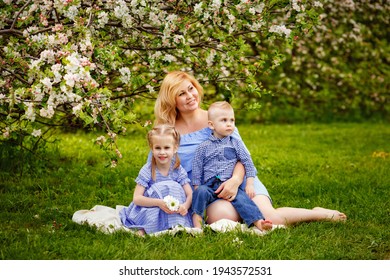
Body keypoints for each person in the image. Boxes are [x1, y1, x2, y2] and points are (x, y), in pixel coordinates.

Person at [154, 70, 347, 226]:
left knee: (272, 219)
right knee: (221, 218)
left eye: (191, 89)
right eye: (181, 93)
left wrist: (236, 181)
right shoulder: (168, 131)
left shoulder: (217, 118)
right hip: (209, 191)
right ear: (172, 100)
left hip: (240, 182)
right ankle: (238, 214)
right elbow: (157, 169)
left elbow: (241, 157)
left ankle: (317, 214)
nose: (190, 96)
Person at [191, 101, 273, 231]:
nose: (229, 124)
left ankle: (259, 222)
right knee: (199, 192)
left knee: (243, 199)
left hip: (229, 184)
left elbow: (248, 162)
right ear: (211, 125)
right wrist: (196, 186)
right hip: (210, 186)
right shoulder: (203, 147)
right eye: (224, 120)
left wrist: (250, 183)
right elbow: (197, 168)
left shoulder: (235, 143)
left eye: (232, 120)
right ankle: (197, 225)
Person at [119, 124, 193, 235]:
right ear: (152, 148)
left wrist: (185, 206)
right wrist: (159, 203)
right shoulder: (148, 170)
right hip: (152, 208)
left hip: (172, 211)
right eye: (158, 148)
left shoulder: (177, 169)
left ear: (175, 148)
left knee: (175, 187)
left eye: (167, 148)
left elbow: (190, 193)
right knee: (161, 194)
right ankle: (145, 229)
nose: (162, 152)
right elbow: (137, 198)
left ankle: (175, 227)